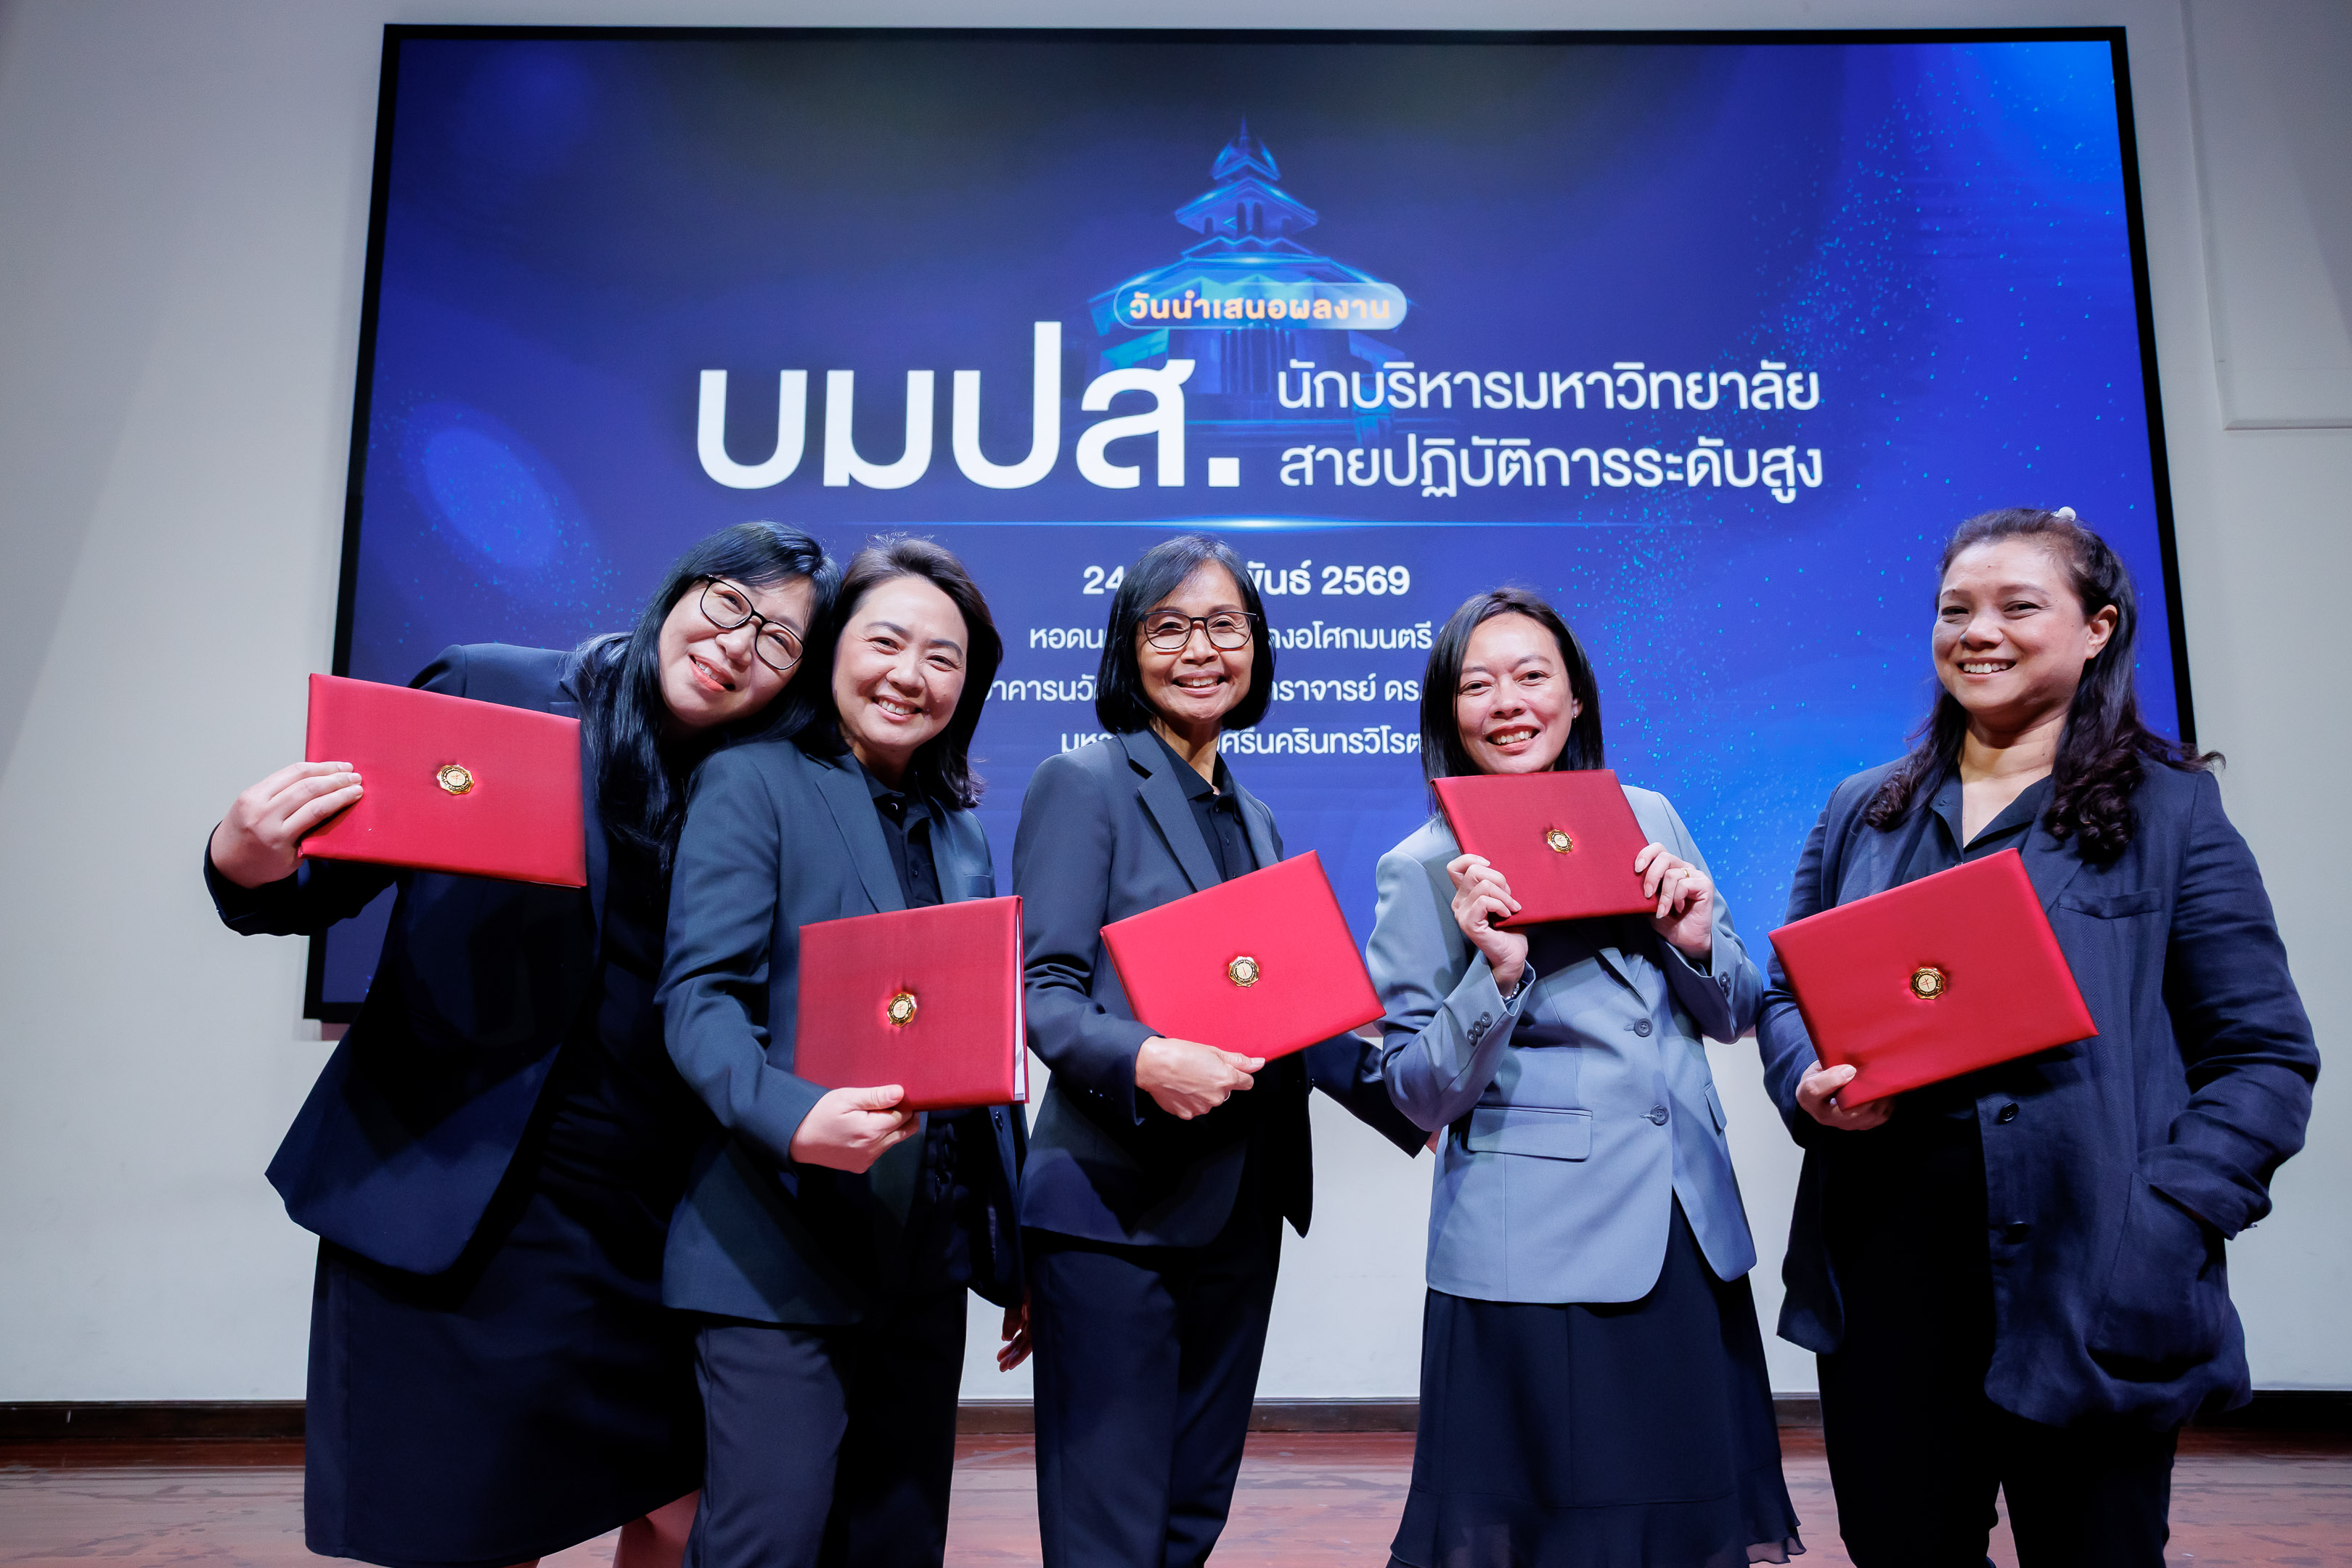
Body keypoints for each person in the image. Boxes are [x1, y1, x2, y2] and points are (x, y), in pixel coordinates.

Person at [205, 521, 835, 1568]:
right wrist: (248, 854)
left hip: (646, 1219)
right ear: (682, 588)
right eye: (731, 603)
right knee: (468, 1534)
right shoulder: (494, 690)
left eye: (779, 643)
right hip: (453, 1200)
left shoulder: (759, 790)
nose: (739, 643)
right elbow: (311, 887)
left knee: (691, 1518)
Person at [1758, 507, 2319, 1567]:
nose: (1979, 631)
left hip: (2092, 1274)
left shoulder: (2174, 812)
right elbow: (1789, 995)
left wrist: (2169, 1217)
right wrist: (1807, 1084)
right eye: (1954, 609)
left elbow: (2263, 1056)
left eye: (2019, 606)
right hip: (1886, 1277)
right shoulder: (1860, 810)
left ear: (2098, 628)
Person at [1365, 587, 1803, 1568]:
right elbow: (1416, 1092)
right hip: (1538, 1250)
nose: (1508, 702)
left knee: (1687, 1530)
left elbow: (1734, 1011)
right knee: (1560, 1541)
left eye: (1532, 677)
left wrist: (1692, 943)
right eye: (1477, 685)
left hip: (1684, 1231)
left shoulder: (1648, 815)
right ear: (1447, 712)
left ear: (1574, 701)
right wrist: (1498, 972)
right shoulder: (1423, 864)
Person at [1012, 533, 1426, 1568]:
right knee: (1110, 1523)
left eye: (1224, 626)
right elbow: (1043, 993)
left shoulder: (1260, 816)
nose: (1200, 650)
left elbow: (1298, 1018)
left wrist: (1428, 1090)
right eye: (1169, 627)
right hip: (1114, 1209)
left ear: (1257, 648)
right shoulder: (1087, 781)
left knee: (1193, 1513)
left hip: (1241, 1208)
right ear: (1128, 648)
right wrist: (1146, 1060)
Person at [656, 536, 1027, 1568]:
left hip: (924, 1256)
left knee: (896, 1545)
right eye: (887, 642)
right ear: (831, 652)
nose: (911, 676)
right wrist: (794, 1118)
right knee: (764, 1546)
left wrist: (1010, 1241)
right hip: (775, 1241)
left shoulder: (959, 830)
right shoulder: (752, 780)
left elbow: (974, 1047)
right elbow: (700, 1000)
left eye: (944, 658)